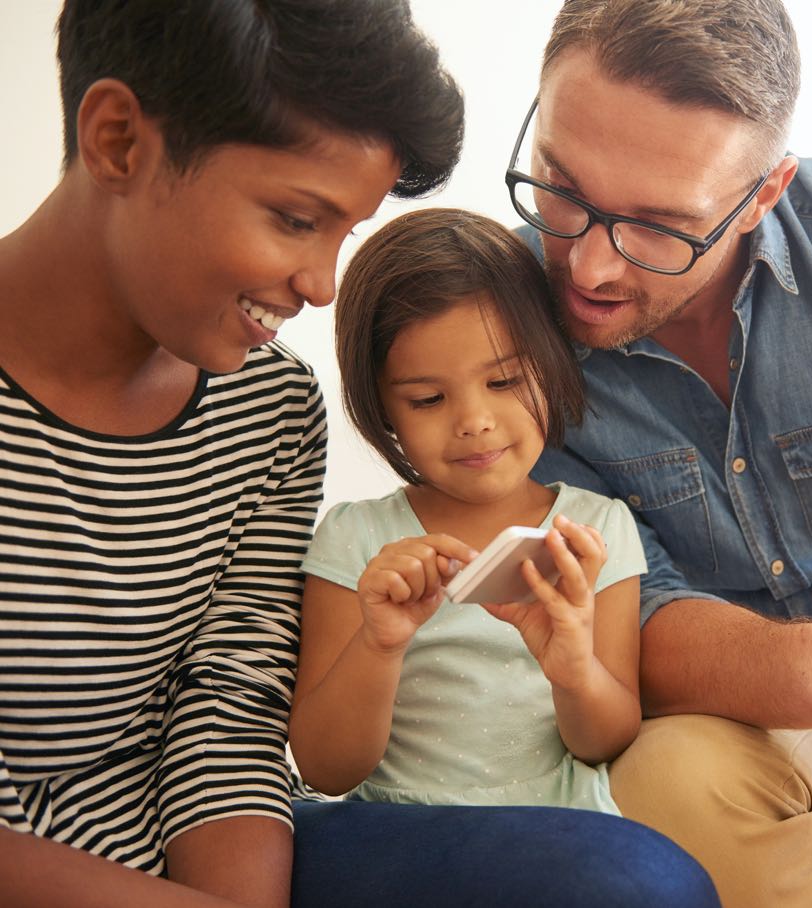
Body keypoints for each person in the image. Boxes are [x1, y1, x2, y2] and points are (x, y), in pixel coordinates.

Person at [0, 3, 717, 907]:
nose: (323, 285)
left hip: (237, 858)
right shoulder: (358, 530)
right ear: (116, 141)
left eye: (344, 233)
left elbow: (229, 710)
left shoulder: (267, 405)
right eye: (297, 219)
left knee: (636, 884)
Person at [503, 0, 812, 905]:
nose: (591, 268)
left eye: (659, 226)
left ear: (766, 192)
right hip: (752, 710)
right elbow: (623, 617)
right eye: (560, 184)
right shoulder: (491, 336)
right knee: (666, 782)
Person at [290, 208, 721, 907]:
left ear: (551, 366)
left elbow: (605, 740)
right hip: (397, 836)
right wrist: (379, 643)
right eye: (427, 398)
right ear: (383, 406)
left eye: (503, 382)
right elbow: (325, 767)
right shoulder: (357, 539)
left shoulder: (592, 527)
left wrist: (572, 665)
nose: (474, 420)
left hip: (559, 838)